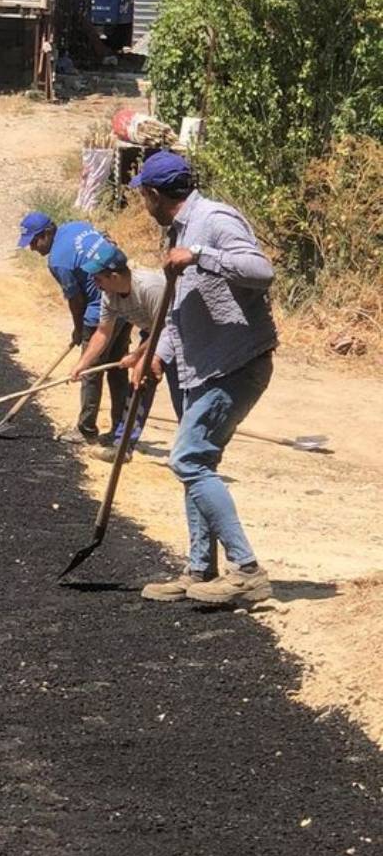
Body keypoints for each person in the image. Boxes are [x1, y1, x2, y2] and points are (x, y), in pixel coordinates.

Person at [130, 151, 277, 608]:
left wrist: (199, 255)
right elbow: (179, 311)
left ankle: (247, 571)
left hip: (235, 363)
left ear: (154, 194)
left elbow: (261, 271)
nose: (143, 204)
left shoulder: (213, 220)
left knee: (189, 459)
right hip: (199, 366)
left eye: (143, 196)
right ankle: (199, 570)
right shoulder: (177, 232)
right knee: (196, 465)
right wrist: (157, 354)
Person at [17, 211, 130, 445]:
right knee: (118, 367)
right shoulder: (76, 226)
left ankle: (86, 429)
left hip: (101, 310)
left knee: (90, 369)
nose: (33, 248)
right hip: (125, 298)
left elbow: (76, 300)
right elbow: (107, 241)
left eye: (35, 241)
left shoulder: (58, 259)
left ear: (47, 233)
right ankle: (122, 428)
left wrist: (79, 330)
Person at [71, 236, 179, 463]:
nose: (95, 282)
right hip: (153, 333)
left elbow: (166, 327)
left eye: (98, 277)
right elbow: (103, 333)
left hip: (181, 334)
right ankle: (123, 447)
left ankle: (189, 453)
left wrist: (137, 355)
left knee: (183, 396)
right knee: (139, 383)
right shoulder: (109, 294)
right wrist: (83, 364)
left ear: (115, 276)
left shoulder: (150, 288)